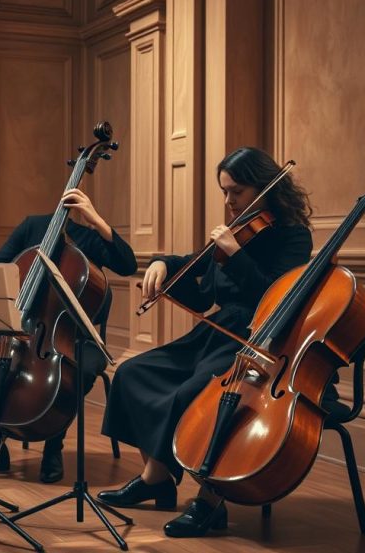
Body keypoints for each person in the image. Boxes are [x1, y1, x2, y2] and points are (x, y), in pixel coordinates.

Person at [95, 147, 314, 538]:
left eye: (237, 192)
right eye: (224, 192)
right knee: (132, 372)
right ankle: (156, 478)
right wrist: (163, 264)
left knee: (195, 395)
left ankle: (209, 501)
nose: (229, 202)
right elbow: (200, 290)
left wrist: (235, 255)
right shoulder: (239, 229)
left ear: (264, 189)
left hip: (255, 340)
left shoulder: (293, 238)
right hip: (214, 333)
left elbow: (277, 299)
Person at [0, 188, 137, 483]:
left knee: (76, 370)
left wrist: (97, 220)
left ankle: (53, 447)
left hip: (74, 336)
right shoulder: (32, 227)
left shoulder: (89, 238)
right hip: (22, 327)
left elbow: (128, 265)